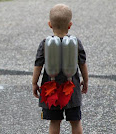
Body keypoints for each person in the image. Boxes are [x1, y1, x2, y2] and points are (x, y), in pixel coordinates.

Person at [32, 4, 88, 134]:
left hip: (51, 89)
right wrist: (85, 80)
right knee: (75, 122)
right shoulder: (76, 42)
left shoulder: (45, 43)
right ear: (70, 25)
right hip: (71, 90)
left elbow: (38, 65)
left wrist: (34, 83)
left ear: (49, 24)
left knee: (55, 121)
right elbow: (82, 64)